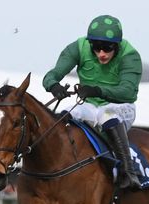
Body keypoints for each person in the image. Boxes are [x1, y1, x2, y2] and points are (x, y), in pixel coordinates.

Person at [43, 15, 143, 191]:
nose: (102, 54)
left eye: (107, 48)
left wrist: (97, 90)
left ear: (117, 45)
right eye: (96, 48)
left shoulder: (130, 56)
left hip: (121, 107)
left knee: (106, 116)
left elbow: (127, 92)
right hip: (89, 105)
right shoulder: (78, 47)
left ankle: (128, 172)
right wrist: (54, 86)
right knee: (64, 114)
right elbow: (51, 75)